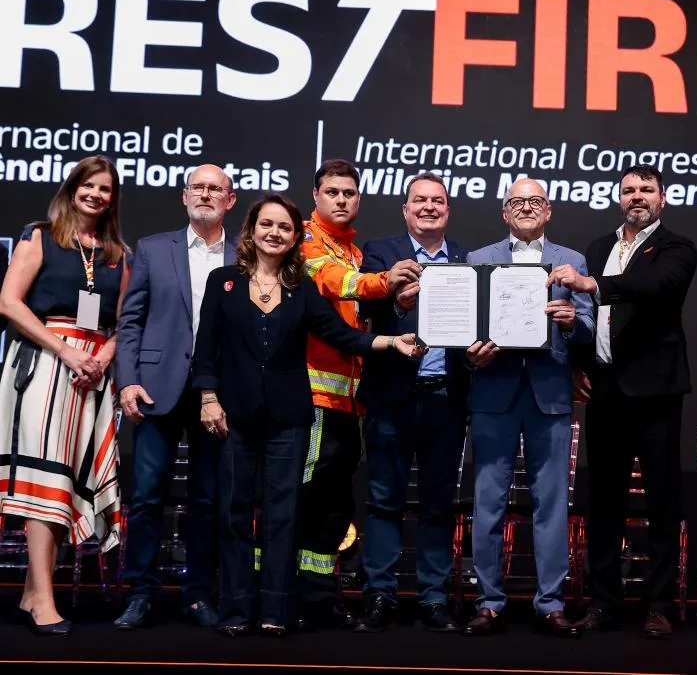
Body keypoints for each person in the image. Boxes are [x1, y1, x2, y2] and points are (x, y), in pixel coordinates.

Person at [192, 194, 422, 637]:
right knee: (235, 513)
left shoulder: (302, 288)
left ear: (296, 237)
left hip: (290, 419)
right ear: (251, 230)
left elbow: (341, 335)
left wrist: (391, 343)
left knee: (283, 514)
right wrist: (207, 397)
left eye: (285, 227)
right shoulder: (224, 281)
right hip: (235, 416)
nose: (275, 233)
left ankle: (274, 611)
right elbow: (206, 349)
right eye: (267, 224)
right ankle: (236, 610)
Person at [547, 164, 697, 638]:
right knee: (603, 502)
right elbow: (586, 317)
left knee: (662, 501)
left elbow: (657, 286)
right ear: (618, 198)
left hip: (655, 391)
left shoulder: (676, 248)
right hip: (606, 389)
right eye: (629, 189)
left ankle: (660, 604)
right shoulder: (598, 248)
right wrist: (578, 363)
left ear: (662, 199)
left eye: (646, 189)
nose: (637, 196)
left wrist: (595, 284)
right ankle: (604, 602)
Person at [0, 155, 130, 636]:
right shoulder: (39, 236)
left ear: (113, 199)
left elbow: (124, 320)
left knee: (67, 485)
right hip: (42, 367)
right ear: (73, 188)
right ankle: (44, 601)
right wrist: (68, 352)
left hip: (92, 376)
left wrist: (102, 357)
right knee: (46, 484)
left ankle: (33, 593)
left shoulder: (118, 254)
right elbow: (9, 302)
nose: (95, 194)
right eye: (88, 185)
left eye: (105, 188)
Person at [462, 178, 594, 638]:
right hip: (493, 392)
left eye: (534, 201)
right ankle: (488, 601)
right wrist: (471, 352)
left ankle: (551, 603)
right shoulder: (478, 259)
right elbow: (466, 325)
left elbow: (589, 325)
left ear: (548, 210)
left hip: (550, 393)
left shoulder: (572, 261)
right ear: (504, 212)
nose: (525, 208)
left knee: (552, 505)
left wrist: (573, 322)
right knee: (488, 503)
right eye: (516, 202)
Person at [114, 164, 238, 630]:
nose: (205, 194)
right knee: (147, 497)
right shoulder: (152, 248)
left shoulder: (242, 254)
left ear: (230, 200)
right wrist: (127, 380)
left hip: (217, 393)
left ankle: (197, 595)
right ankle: (141, 594)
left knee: (208, 500)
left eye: (215, 189)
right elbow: (131, 320)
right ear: (184, 196)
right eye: (197, 187)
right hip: (155, 387)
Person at [297, 159, 420, 628]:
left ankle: (320, 596)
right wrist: (386, 282)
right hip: (313, 398)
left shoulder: (351, 249)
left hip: (350, 401)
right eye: (332, 192)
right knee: (305, 498)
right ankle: (283, 593)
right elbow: (336, 283)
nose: (341, 199)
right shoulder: (305, 240)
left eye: (349, 193)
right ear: (316, 196)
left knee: (335, 506)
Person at [355, 172, 470, 633]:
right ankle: (380, 595)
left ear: (448, 210)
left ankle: (433, 598)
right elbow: (365, 309)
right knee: (384, 500)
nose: (428, 207)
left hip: (446, 398)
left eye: (437, 201)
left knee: (438, 504)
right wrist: (399, 304)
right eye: (419, 200)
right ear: (405, 209)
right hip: (391, 397)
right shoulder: (380, 253)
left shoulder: (466, 260)